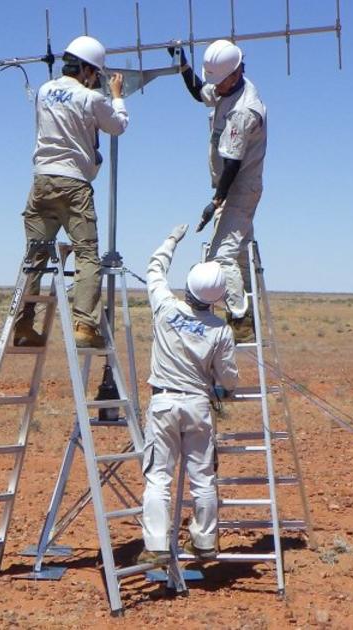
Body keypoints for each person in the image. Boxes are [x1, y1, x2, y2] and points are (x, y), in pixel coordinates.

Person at [14, 36, 127, 349]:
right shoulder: (91, 99)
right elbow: (117, 126)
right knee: (87, 252)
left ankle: (23, 322)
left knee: (35, 255)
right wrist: (116, 96)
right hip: (74, 183)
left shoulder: (44, 91)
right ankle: (84, 326)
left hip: (41, 181)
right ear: (89, 70)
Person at [138, 224, 239, 565]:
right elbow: (228, 378)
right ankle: (205, 542)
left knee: (158, 477)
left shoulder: (166, 307)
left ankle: (155, 546)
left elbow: (154, 268)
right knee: (202, 477)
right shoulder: (221, 330)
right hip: (197, 406)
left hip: (164, 401)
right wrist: (220, 386)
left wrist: (171, 240)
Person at [171, 40, 267, 343]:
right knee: (237, 259)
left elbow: (233, 164)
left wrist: (216, 201)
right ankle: (246, 317)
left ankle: (239, 319)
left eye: (219, 81)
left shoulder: (243, 111)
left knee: (220, 259)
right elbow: (200, 92)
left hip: (239, 189)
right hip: (229, 188)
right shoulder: (226, 86)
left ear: (235, 74)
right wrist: (183, 65)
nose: (215, 87)